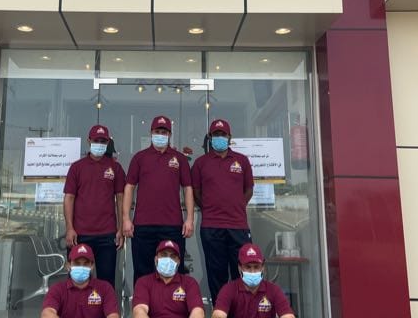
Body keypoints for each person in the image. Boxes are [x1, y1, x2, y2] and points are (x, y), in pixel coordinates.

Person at [123, 115, 194, 283]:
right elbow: (129, 187)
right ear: (151, 132)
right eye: (157, 131)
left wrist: (189, 219)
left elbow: (188, 189)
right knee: (143, 272)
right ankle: (142, 301)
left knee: (173, 271)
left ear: (169, 134)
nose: (160, 135)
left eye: (164, 132)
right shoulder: (139, 158)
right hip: (143, 225)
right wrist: (126, 219)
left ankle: (174, 300)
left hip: (172, 226)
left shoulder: (179, 159)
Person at [191, 118, 254, 305]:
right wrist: (210, 208)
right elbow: (196, 192)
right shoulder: (201, 163)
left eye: (223, 134)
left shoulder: (242, 161)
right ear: (210, 137)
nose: (219, 137)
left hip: (238, 226)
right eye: (216, 134)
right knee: (216, 274)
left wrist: (236, 206)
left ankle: (241, 310)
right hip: (211, 227)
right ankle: (220, 311)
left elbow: (249, 189)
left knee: (241, 272)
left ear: (229, 137)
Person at [64, 124, 126, 288]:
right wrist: (69, 228)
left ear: (107, 143)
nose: (99, 144)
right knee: (77, 281)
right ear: (89, 141)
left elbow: (120, 199)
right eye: (96, 140)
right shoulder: (77, 167)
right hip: (80, 235)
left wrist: (120, 229)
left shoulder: (115, 168)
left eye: (103, 141)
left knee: (106, 283)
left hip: (107, 235)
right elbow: (69, 198)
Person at [211, 243, 295, 318]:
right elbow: (218, 315)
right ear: (239, 267)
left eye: (256, 267)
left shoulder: (273, 290)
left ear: (262, 267)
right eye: (248, 267)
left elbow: (288, 315)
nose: (252, 271)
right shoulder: (229, 290)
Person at [41, 243, 120, 318]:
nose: (81, 267)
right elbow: (47, 313)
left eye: (85, 264)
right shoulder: (57, 289)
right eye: (77, 263)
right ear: (68, 265)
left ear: (92, 266)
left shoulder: (105, 288)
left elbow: (113, 315)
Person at [132, 240, 205, 318]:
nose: (168, 259)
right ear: (156, 259)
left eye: (173, 256)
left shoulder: (189, 283)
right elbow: (139, 311)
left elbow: (197, 311)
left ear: (178, 262)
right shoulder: (143, 282)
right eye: (164, 255)